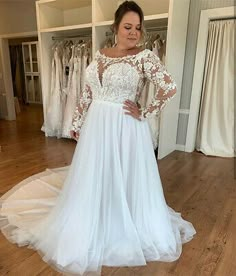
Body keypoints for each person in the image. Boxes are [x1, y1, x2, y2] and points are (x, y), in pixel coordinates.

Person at [0, 1, 196, 275]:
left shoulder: (145, 57)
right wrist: (77, 121)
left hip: (126, 126)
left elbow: (169, 87)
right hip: (96, 125)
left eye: (138, 28)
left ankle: (121, 218)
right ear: (115, 27)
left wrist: (146, 111)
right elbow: (88, 92)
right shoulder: (101, 54)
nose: (133, 33)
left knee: (124, 173)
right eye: (127, 27)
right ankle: (95, 210)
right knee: (97, 173)